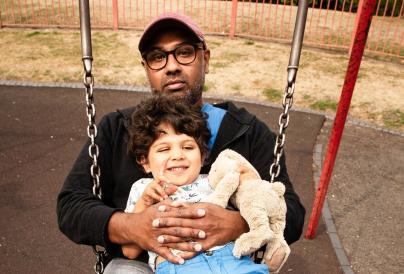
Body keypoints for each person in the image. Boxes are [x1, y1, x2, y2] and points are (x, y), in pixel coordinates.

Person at [57, 12, 305, 273]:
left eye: (184, 52)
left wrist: (239, 224)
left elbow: (292, 212)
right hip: (145, 264)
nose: (171, 66)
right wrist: (132, 226)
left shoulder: (246, 132)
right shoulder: (118, 129)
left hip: (229, 259)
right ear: (146, 69)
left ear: (205, 60)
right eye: (157, 57)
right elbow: (71, 206)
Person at [122, 95, 269, 274]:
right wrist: (144, 203)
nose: (177, 155)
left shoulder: (217, 180)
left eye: (188, 147)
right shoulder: (143, 189)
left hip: (233, 261)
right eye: (164, 149)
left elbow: (253, 210)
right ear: (144, 161)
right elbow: (129, 251)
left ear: (203, 156)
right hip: (177, 266)